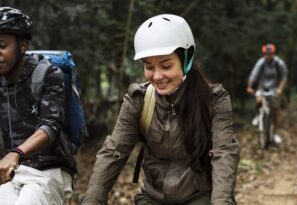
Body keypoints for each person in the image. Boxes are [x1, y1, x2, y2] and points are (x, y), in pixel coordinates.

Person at [81, 14, 240, 205]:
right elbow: (114, 151)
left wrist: (221, 201)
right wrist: (92, 199)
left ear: (187, 59)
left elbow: (224, 155)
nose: (157, 76)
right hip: (153, 198)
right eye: (149, 67)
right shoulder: (137, 100)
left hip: (200, 197)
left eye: (166, 65)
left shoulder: (214, 100)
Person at [0, 7, 77, 205]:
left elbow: (51, 125)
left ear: (23, 45)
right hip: (11, 175)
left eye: (1, 46)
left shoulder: (47, 74)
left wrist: (16, 154)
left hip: (49, 172)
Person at [246, 43, 288, 143]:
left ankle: (274, 133)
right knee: (259, 100)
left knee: (276, 112)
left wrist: (280, 89)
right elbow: (253, 75)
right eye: (266, 54)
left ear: (273, 54)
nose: (268, 56)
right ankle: (259, 114)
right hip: (262, 87)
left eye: (270, 54)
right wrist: (249, 87)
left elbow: (284, 77)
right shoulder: (260, 63)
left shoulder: (279, 63)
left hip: (274, 89)